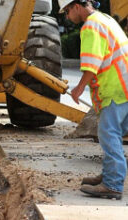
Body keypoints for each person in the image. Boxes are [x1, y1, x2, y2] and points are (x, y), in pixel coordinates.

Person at [59, 0, 128, 200]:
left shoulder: (90, 25)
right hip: (124, 85)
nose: (66, 16)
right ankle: (110, 173)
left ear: (77, 7)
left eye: (66, 11)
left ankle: (113, 184)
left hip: (115, 89)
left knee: (109, 134)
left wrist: (78, 89)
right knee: (115, 133)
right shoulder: (105, 18)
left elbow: (92, 64)